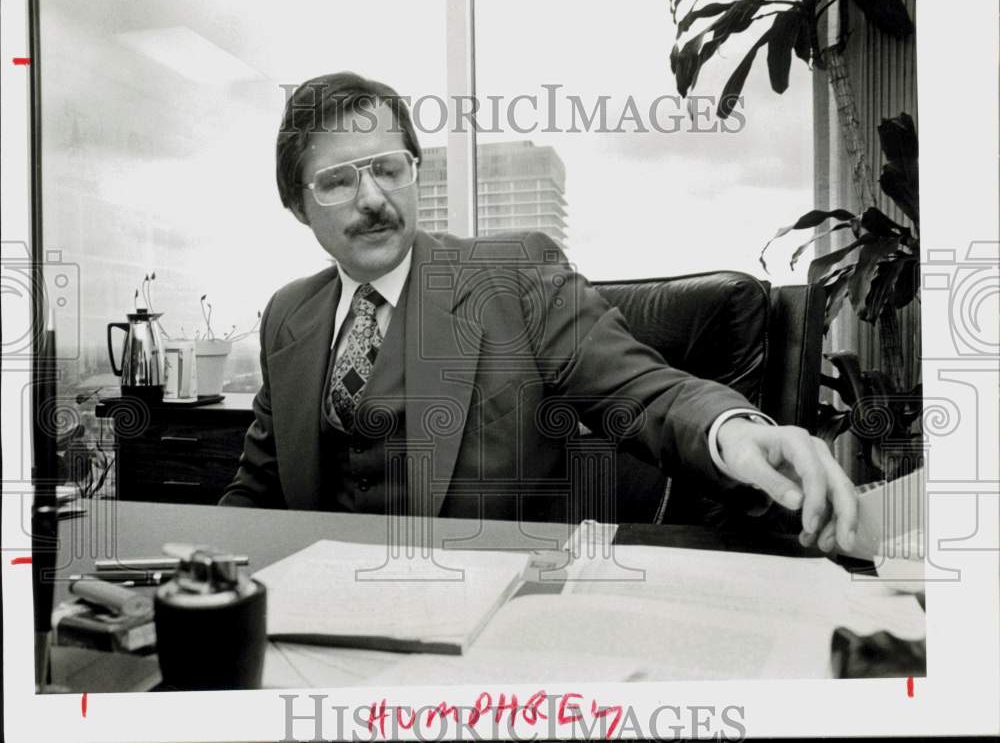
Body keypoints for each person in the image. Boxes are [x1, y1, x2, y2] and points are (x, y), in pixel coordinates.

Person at [220, 72, 857, 554]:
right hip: (323, 610)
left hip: (489, 619)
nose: (373, 199)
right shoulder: (287, 315)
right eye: (337, 181)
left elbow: (644, 390)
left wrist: (735, 429)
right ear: (299, 206)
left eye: (389, 169)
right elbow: (258, 491)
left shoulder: (515, 275)